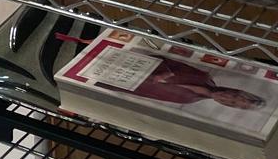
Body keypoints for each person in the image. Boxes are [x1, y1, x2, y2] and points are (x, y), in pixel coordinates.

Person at [109, 53, 264, 111]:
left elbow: (146, 94)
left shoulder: (188, 100)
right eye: (235, 96)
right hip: (127, 61)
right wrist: (166, 72)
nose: (227, 98)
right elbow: (168, 59)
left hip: (119, 79)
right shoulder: (203, 76)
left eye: (232, 103)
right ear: (235, 90)